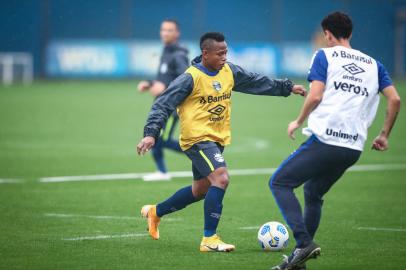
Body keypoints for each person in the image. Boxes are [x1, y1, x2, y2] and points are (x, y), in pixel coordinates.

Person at [137, 32, 307, 252]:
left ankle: (155, 212)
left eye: (226, 52)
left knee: (200, 190)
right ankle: (210, 239)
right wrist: (151, 133)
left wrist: (287, 87)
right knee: (221, 178)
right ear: (205, 53)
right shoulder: (190, 78)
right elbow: (162, 104)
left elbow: (256, 81)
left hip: (217, 138)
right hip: (197, 138)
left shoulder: (229, 71)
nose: (224, 56)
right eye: (220, 53)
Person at [269, 11, 401, 270]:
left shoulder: (324, 55)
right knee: (313, 192)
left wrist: (298, 120)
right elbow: (395, 99)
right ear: (350, 34)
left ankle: (303, 243)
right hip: (352, 147)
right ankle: (297, 263)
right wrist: (384, 134)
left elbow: (316, 95)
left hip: (326, 141)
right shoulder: (374, 65)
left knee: (280, 182)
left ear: (327, 34)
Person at [137, 19, 189, 181]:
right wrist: (150, 84)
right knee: (156, 137)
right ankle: (161, 172)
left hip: (171, 107)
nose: (165, 33)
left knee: (159, 139)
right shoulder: (166, 51)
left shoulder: (179, 55)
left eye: (169, 30)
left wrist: (164, 86)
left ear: (177, 33)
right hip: (161, 104)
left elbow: (185, 79)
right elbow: (164, 78)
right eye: (163, 30)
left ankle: (201, 151)